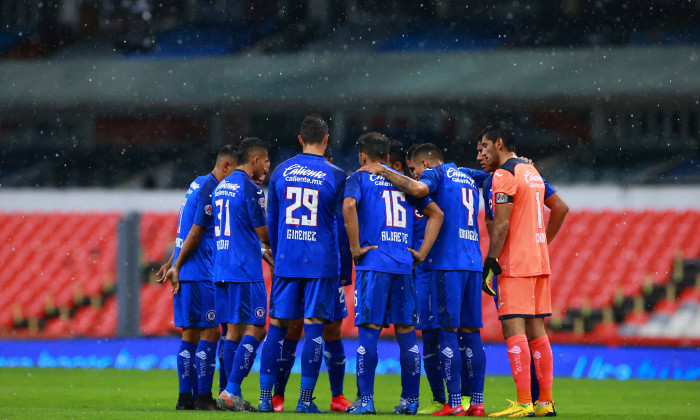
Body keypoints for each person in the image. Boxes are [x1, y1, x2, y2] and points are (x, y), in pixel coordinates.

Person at [359, 143, 486, 416]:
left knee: (444, 332)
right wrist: (520, 164)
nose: (414, 175)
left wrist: (381, 170)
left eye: (414, 169)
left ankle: (451, 403)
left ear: (426, 165)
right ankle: (475, 402)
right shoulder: (465, 174)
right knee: (470, 334)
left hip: (443, 263)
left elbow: (418, 190)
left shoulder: (434, 176)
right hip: (473, 262)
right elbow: (495, 176)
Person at [344, 133, 443, 415]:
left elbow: (349, 205)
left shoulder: (359, 177)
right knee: (407, 335)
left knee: (369, 334)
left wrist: (354, 248)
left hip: (373, 262)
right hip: (403, 264)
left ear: (363, 156)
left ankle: (366, 400)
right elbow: (436, 214)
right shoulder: (407, 185)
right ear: (388, 158)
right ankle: (410, 401)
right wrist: (421, 252)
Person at [258, 114, 350, 414]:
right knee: (314, 329)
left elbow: (271, 220)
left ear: (300, 139)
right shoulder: (336, 175)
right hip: (320, 264)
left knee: (277, 329)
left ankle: (264, 398)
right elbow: (340, 224)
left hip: (286, 261)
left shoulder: (281, 171)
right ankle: (305, 401)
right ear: (326, 140)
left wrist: (275, 250)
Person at [476, 140, 568, 409]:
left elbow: (500, 223)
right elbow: (560, 207)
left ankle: (524, 403)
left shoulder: (503, 176)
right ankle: (545, 403)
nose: (480, 154)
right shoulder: (531, 171)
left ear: (499, 144)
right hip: (537, 261)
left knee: (513, 329)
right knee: (537, 331)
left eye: (484, 147)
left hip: (513, 262)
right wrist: (540, 243)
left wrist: (491, 260)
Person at [157, 145, 236, 410]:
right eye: (235, 172)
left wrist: (172, 262)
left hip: (186, 270)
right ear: (225, 167)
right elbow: (195, 231)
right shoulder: (212, 190)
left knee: (189, 335)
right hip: (200, 271)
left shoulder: (196, 184)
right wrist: (176, 264)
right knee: (211, 332)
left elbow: (183, 228)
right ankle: (203, 397)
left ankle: (184, 398)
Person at [212, 137, 271, 412]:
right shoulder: (250, 188)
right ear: (256, 160)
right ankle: (231, 390)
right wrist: (278, 248)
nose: (268, 167)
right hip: (244, 270)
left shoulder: (221, 187)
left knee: (233, 332)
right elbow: (263, 233)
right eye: (267, 161)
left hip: (222, 267)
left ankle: (227, 393)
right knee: (258, 329)